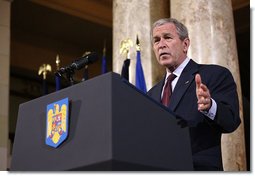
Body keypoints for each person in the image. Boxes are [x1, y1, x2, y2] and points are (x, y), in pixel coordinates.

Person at [147, 18, 241, 171]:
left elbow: (231, 121)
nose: (161, 44)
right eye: (156, 40)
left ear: (185, 44)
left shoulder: (214, 75)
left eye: (168, 37)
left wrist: (210, 106)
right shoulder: (151, 94)